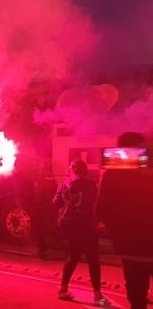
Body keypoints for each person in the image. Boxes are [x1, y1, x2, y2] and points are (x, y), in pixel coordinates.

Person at [98, 132, 153, 309]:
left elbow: (100, 211)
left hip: (128, 248)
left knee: (136, 296)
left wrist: (116, 229)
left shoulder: (111, 176)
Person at [53, 160, 109, 305]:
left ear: (72, 171)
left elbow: (56, 203)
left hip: (69, 225)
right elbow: (95, 206)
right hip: (87, 226)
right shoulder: (91, 186)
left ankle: (63, 289)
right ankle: (97, 294)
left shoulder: (65, 184)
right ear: (85, 171)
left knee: (73, 256)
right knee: (93, 259)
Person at [32, 161, 58, 260]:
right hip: (51, 208)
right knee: (53, 230)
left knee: (40, 231)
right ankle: (67, 250)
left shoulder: (41, 178)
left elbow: (38, 194)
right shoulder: (52, 178)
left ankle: (41, 252)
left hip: (42, 209)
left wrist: (36, 205)